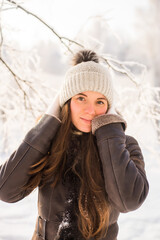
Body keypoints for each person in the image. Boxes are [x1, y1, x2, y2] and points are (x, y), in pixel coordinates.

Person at [0, 49, 149, 240]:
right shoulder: (48, 141)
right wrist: (48, 122)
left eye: (100, 101)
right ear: (66, 101)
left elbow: (128, 200)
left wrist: (109, 133)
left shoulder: (124, 146)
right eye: (81, 98)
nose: (90, 110)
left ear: (109, 107)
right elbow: (6, 190)